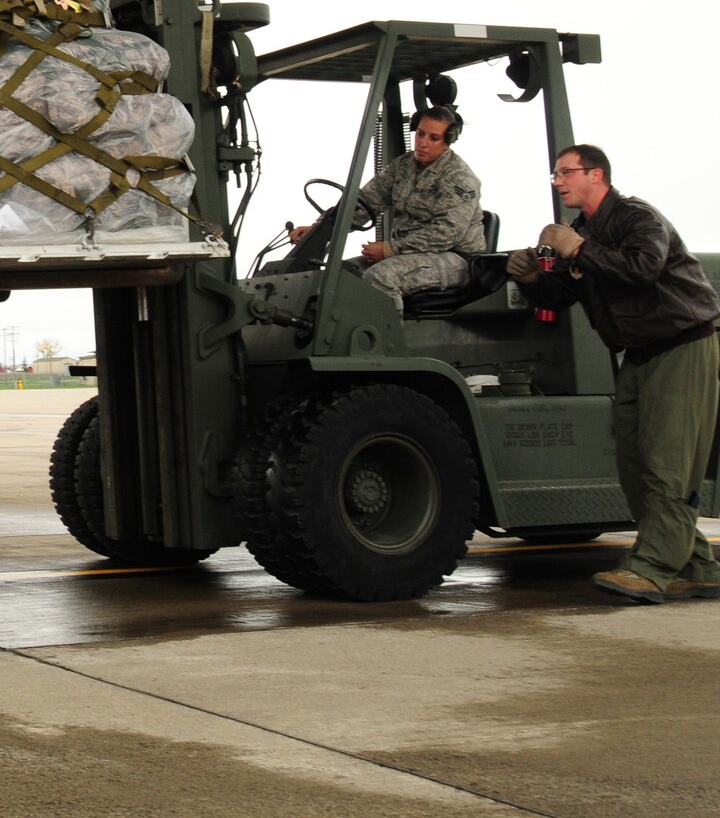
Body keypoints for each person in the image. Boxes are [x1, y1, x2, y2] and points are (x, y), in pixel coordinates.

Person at [508, 144, 720, 604]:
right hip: (640, 353)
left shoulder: (637, 218)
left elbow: (644, 270)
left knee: (668, 462)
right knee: (633, 462)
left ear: (596, 175)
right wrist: (531, 281)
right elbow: (563, 296)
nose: (558, 181)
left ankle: (653, 567)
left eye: (566, 173)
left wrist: (581, 249)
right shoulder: (581, 232)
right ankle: (698, 565)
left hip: (681, 345)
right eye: (556, 175)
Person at [290, 106, 485, 309]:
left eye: (433, 138)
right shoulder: (404, 166)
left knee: (381, 277)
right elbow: (365, 202)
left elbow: (446, 233)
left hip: (455, 259)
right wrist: (320, 229)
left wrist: (391, 249)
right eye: (420, 134)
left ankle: (386, 340)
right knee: (340, 274)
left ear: (447, 142)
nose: (423, 143)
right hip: (410, 254)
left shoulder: (459, 179)